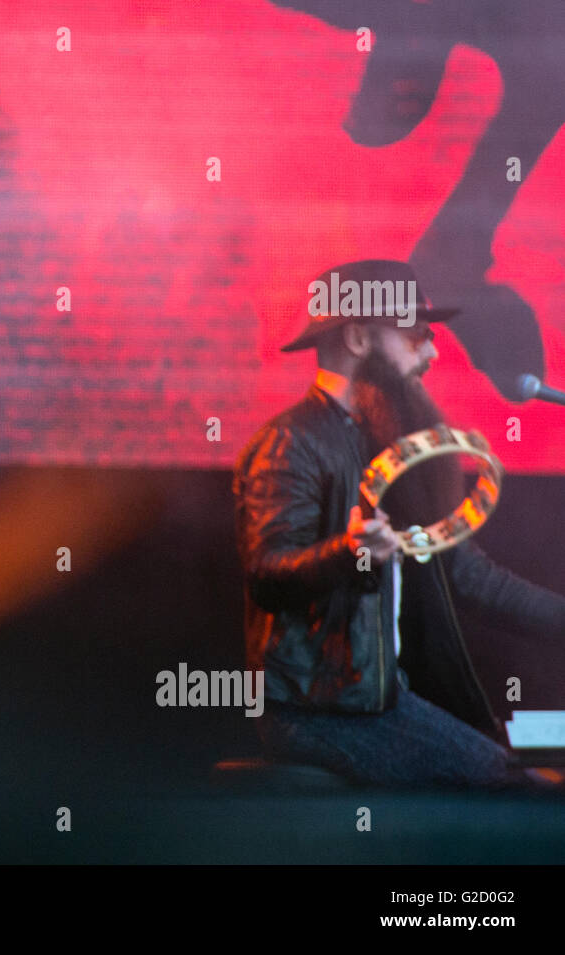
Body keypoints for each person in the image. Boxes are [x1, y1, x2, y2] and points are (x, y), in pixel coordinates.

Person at [233, 259, 565, 788]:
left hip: (378, 701)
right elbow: (269, 575)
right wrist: (349, 552)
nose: (432, 352)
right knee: (524, 795)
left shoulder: (382, 444)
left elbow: (466, 573)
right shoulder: (291, 443)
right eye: (415, 336)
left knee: (536, 772)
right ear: (360, 337)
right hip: (321, 713)